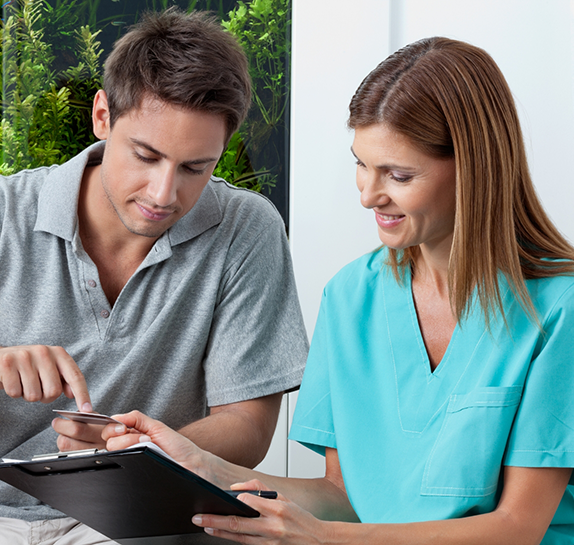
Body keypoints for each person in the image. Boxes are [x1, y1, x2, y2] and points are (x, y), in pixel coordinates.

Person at [100, 37, 574, 544]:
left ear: (475, 168)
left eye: (398, 174)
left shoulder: (557, 310)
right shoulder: (352, 296)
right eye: (361, 165)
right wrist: (199, 465)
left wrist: (326, 539)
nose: (369, 194)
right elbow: (344, 499)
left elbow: (518, 527)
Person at [0, 8, 308, 544]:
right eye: (146, 155)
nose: (164, 194)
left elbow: (248, 425)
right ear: (102, 115)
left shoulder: (247, 229)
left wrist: (148, 450)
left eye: (195, 168)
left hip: (138, 523)